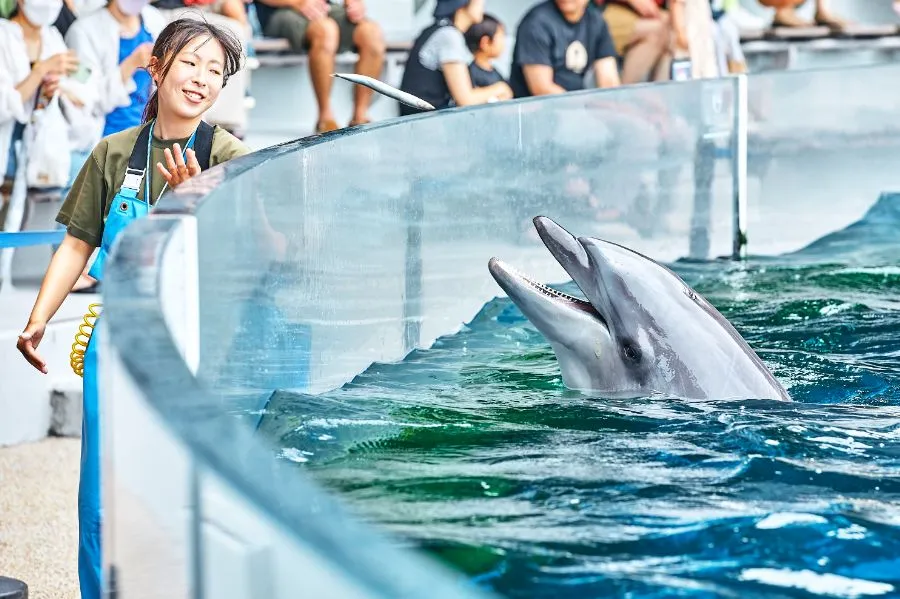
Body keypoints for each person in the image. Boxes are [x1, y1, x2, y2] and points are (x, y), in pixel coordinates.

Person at [16, 17, 248, 599]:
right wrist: (39, 317)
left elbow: (260, 250)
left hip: (197, 343)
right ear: (158, 68)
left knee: (185, 492)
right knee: (99, 499)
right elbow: (77, 242)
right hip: (117, 342)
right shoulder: (114, 153)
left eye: (214, 71)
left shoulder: (229, 155)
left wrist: (203, 201)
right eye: (189, 63)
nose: (200, 79)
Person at [61, 0, 167, 292]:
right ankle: (84, 273)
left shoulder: (155, 21)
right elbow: (85, 96)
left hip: (150, 128)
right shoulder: (84, 31)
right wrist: (129, 65)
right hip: (100, 132)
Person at [252, 0, 385, 133]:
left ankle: (360, 117)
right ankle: (325, 118)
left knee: (372, 33)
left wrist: (354, 3)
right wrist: (298, 2)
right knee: (326, 30)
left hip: (323, 7)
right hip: (280, 10)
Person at [399, 0, 511, 116]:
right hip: (426, 122)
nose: (482, 4)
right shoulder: (449, 36)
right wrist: (500, 88)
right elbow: (465, 100)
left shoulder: (440, 29)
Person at [509, 0, 620, 98]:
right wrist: (584, 107)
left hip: (575, 105)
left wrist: (612, 104)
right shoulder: (536, 23)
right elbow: (541, 89)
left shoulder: (596, 21)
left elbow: (608, 80)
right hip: (536, 111)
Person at [596, 0, 682, 83]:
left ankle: (658, 94)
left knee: (670, 36)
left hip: (646, 14)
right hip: (607, 10)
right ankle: (625, 92)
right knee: (656, 31)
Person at [463, 12, 508, 92]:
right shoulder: (471, 75)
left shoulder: (495, 71)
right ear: (485, 43)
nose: (504, 42)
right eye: (501, 36)